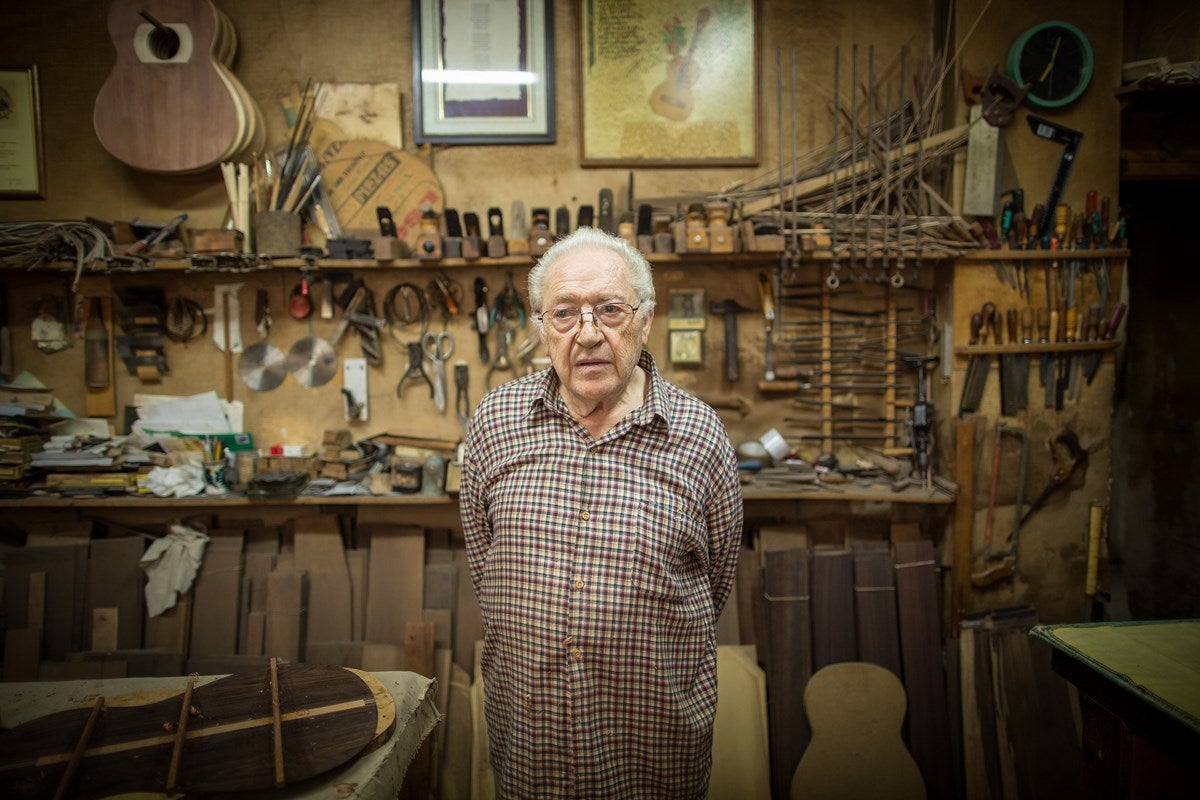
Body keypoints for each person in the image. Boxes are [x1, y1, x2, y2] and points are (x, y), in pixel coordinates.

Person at [459, 227, 744, 798]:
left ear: (645, 318)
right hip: (531, 754)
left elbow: (714, 585)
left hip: (653, 758)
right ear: (541, 327)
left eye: (609, 310)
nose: (588, 334)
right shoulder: (497, 421)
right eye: (564, 313)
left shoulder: (700, 436)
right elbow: (485, 563)